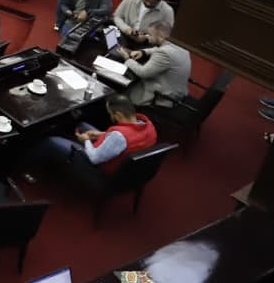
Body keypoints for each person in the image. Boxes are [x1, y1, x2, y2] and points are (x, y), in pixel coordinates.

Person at [22, 93, 156, 184]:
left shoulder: (119, 136)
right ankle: (61, 156)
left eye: (110, 113)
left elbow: (94, 158)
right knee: (81, 125)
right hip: (122, 161)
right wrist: (101, 134)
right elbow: (128, 138)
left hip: (99, 170)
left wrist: (86, 140)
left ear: (118, 114)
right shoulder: (147, 125)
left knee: (50, 141)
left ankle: (28, 169)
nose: (110, 116)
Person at [111, 21, 190, 107]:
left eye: (150, 35)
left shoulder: (164, 53)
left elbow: (143, 73)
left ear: (161, 37)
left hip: (162, 97)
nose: (148, 37)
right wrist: (143, 52)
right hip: (177, 92)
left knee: (118, 92)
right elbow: (158, 49)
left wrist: (127, 59)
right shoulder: (181, 46)